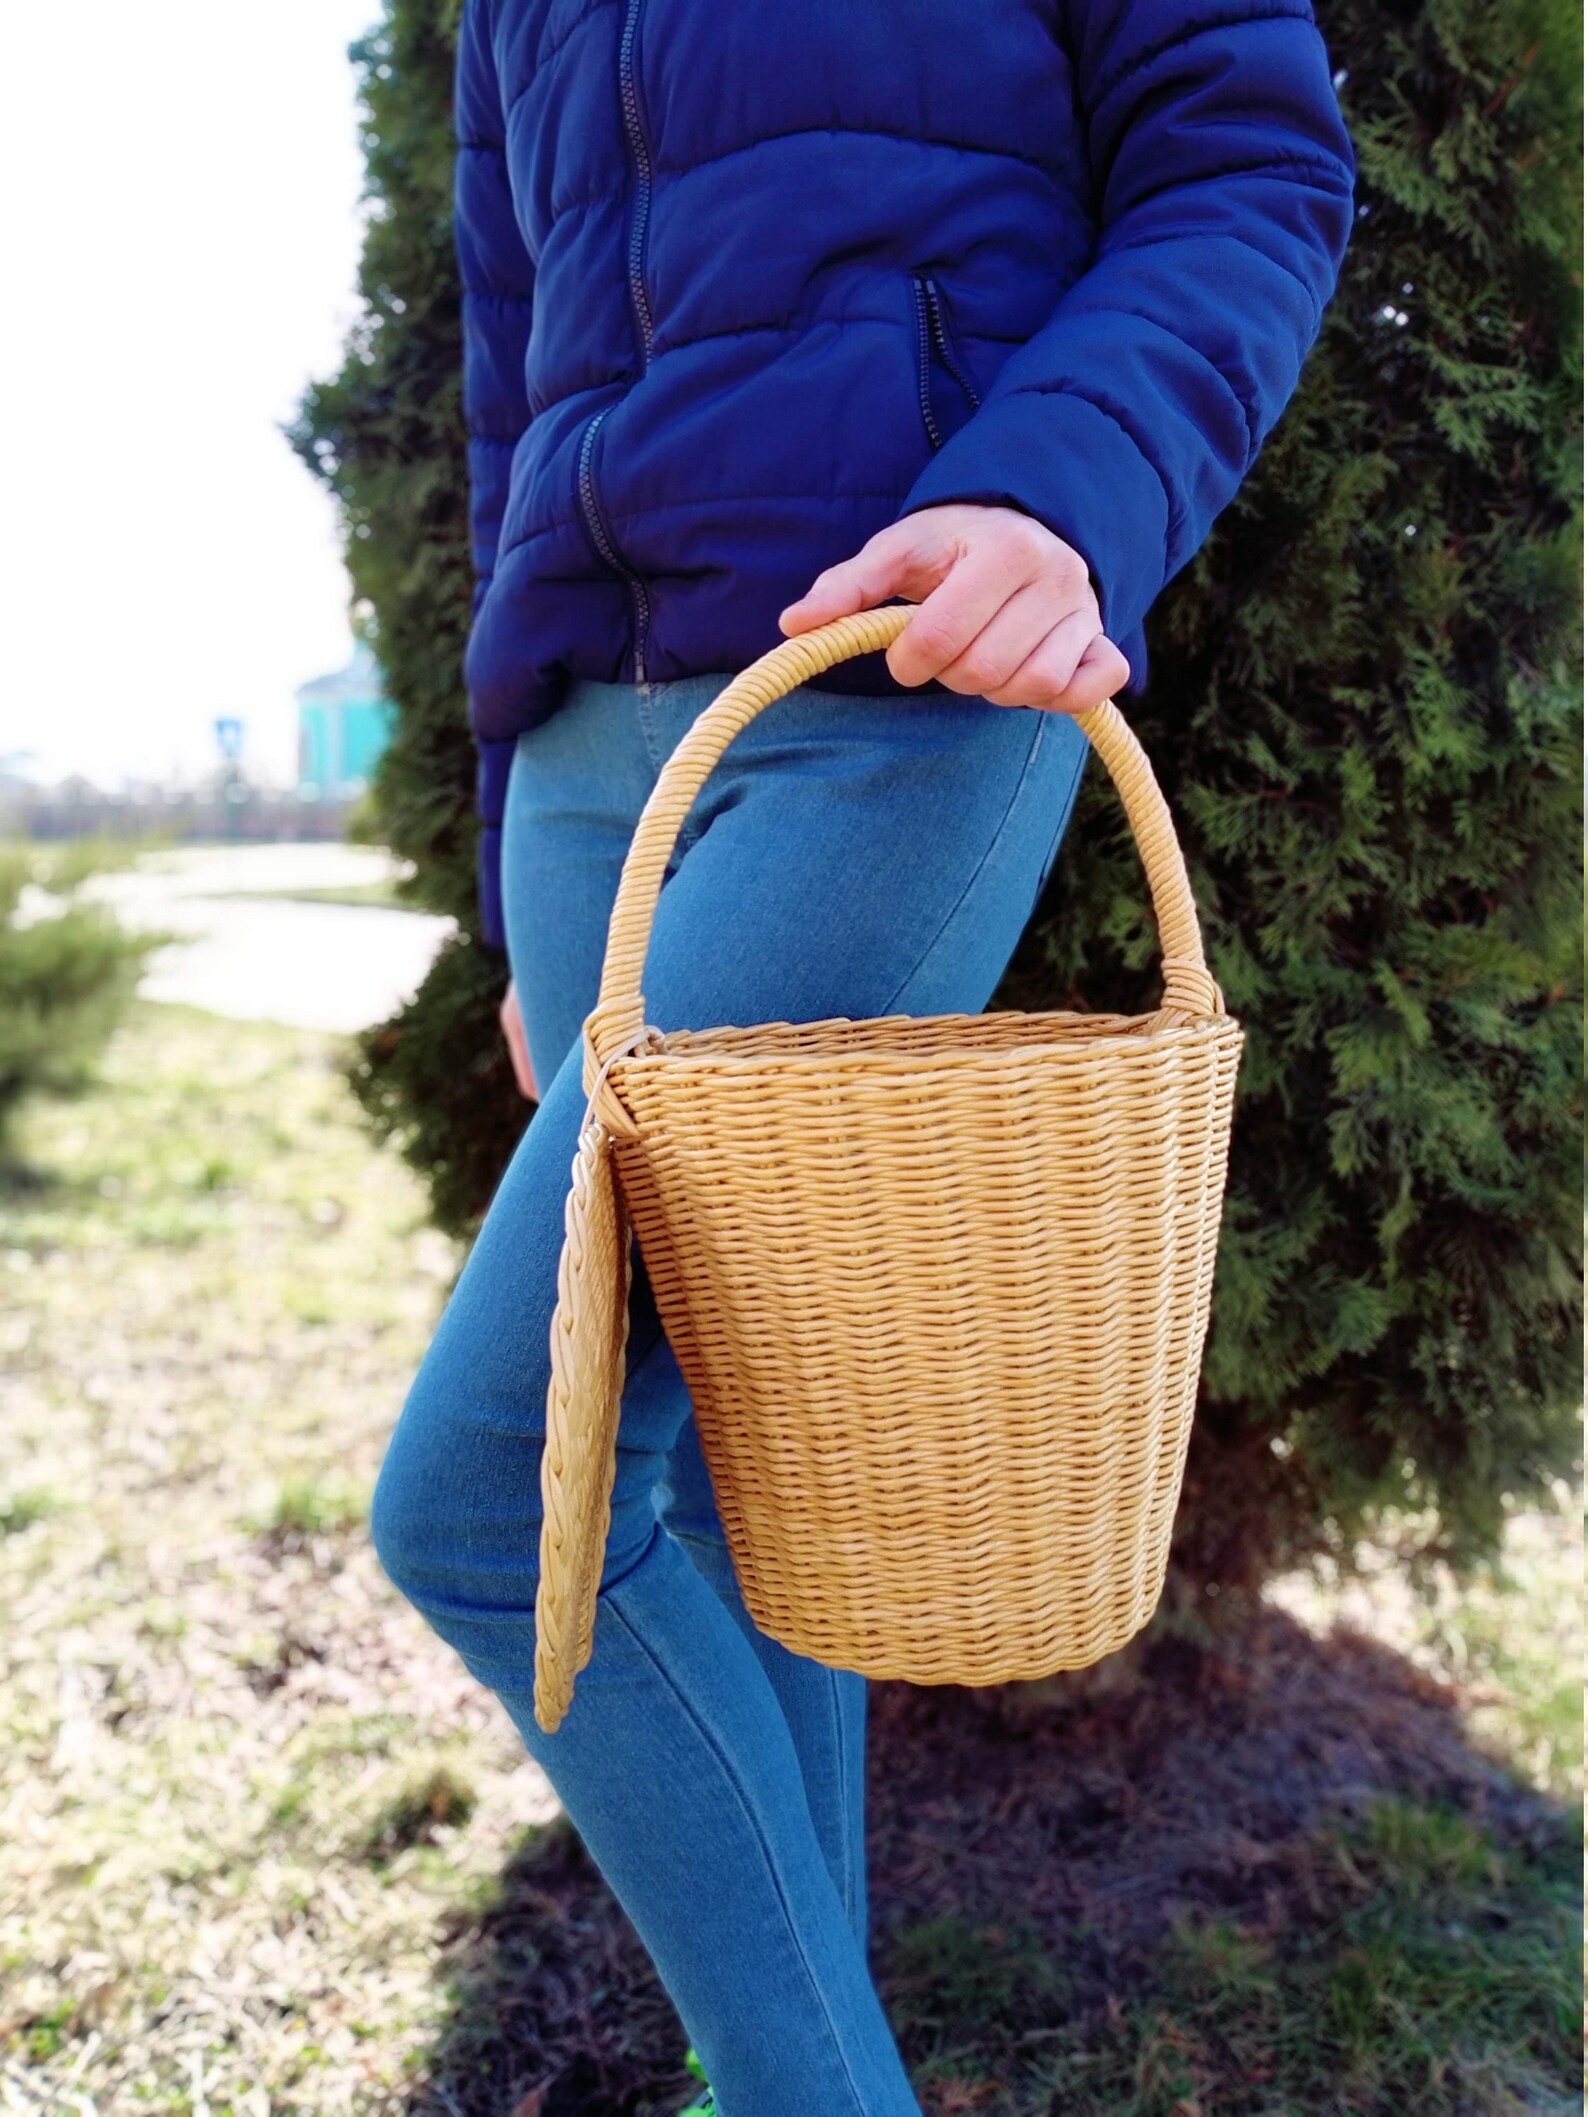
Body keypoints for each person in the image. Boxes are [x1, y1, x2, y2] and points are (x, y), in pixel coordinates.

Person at [370, 3, 1355, 2108]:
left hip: (892, 682)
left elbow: (1247, 155)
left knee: (489, 1503)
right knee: (728, 1474)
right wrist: (509, 836)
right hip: (585, 767)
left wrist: (1052, 488)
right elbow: (511, 354)